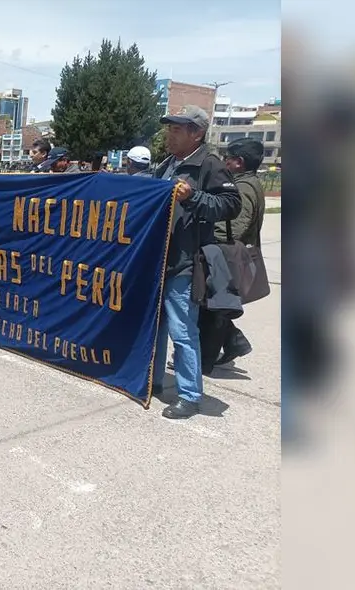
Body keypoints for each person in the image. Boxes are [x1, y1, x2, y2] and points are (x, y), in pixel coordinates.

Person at [150, 104, 241, 419]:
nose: (170, 135)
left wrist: (194, 196)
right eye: (169, 129)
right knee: (156, 326)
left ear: (197, 134)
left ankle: (189, 395)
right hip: (160, 259)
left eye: (177, 129)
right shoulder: (167, 164)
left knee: (182, 330)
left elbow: (231, 204)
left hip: (186, 261)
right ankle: (154, 381)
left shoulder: (209, 164)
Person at [212, 137, 266, 367]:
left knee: (212, 307)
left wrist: (206, 230)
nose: (225, 162)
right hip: (232, 257)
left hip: (228, 258)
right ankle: (235, 342)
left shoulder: (242, 188)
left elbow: (234, 227)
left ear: (239, 162)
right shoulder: (248, 182)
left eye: (228, 158)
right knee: (215, 307)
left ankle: (205, 355)